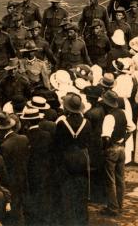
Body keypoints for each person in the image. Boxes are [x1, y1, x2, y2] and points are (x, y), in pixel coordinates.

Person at [54, 93, 92, 226]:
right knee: (81, 192)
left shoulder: (61, 123)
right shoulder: (87, 123)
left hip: (66, 158)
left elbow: (57, 144)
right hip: (82, 158)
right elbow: (88, 142)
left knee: (66, 193)